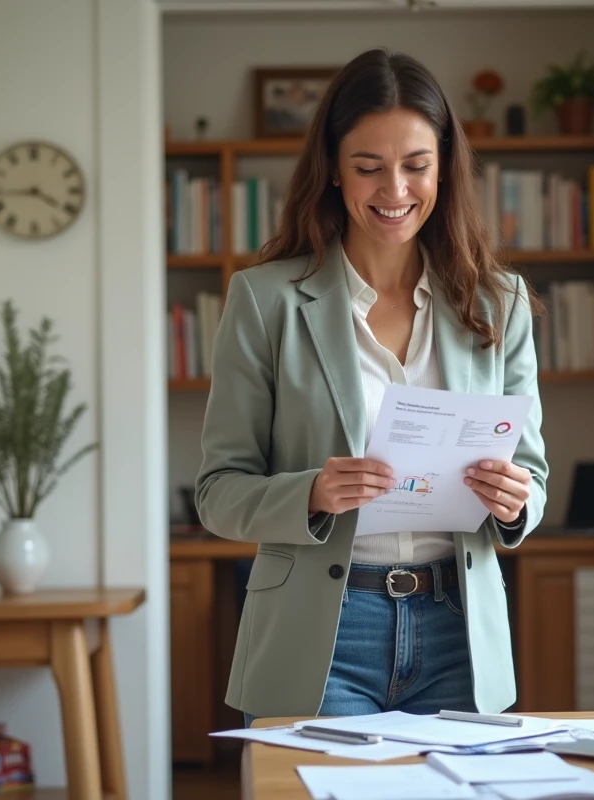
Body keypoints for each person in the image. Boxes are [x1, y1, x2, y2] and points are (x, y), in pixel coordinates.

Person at [194, 47, 549, 724]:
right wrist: (313, 492)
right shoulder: (265, 300)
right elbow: (218, 493)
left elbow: (531, 474)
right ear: (332, 168)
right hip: (321, 634)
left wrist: (513, 501)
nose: (394, 191)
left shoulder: (498, 301)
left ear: (444, 165)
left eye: (416, 166)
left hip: (458, 630)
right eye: (368, 167)